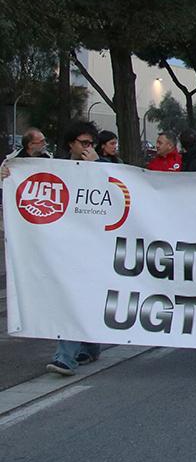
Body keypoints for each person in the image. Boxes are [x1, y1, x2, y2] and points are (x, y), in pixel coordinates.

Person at [45, 122, 103, 375]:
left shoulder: (104, 166)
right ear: (71, 144)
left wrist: (96, 168)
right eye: (83, 143)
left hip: (94, 245)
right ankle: (76, 352)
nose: (88, 148)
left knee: (81, 296)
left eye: (91, 143)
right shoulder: (56, 168)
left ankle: (73, 353)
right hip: (65, 245)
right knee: (71, 297)